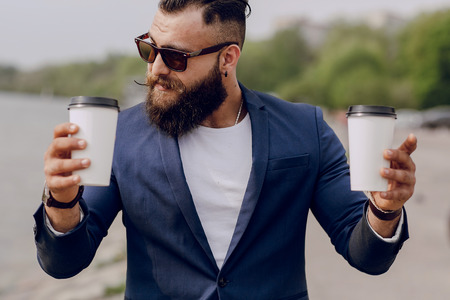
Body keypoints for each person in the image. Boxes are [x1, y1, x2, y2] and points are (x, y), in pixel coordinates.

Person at [34, 1, 417, 299]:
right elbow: (65, 263)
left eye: (176, 57)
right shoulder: (121, 136)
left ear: (227, 59)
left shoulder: (305, 130)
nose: (155, 69)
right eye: (149, 49)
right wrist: (62, 202)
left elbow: (365, 254)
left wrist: (384, 209)